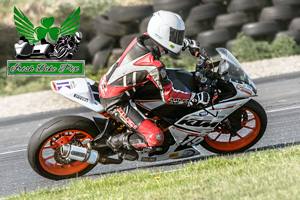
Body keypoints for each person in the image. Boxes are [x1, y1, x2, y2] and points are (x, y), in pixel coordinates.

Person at [98, 10, 210, 160]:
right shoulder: (153, 65)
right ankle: (113, 142)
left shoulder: (144, 38)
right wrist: (196, 99)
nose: (178, 38)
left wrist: (187, 44)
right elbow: (170, 97)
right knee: (155, 138)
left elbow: (165, 41)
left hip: (123, 85)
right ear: (163, 33)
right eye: (176, 35)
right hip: (117, 100)